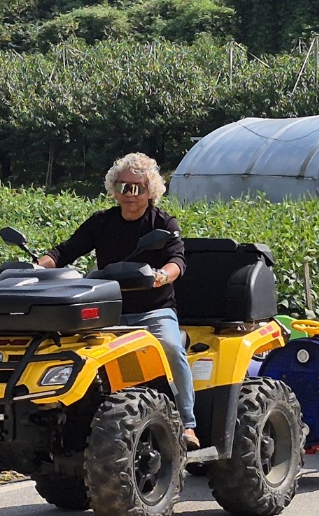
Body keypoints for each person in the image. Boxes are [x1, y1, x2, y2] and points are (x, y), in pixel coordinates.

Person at [37, 153, 200, 448]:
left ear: (150, 190)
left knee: (171, 347)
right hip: (108, 313)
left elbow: (177, 260)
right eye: (123, 186)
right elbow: (65, 251)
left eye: (137, 187)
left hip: (153, 312)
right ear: (114, 189)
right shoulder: (102, 222)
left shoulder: (163, 223)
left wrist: (163, 275)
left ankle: (188, 424)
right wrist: (37, 267)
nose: (130, 194)